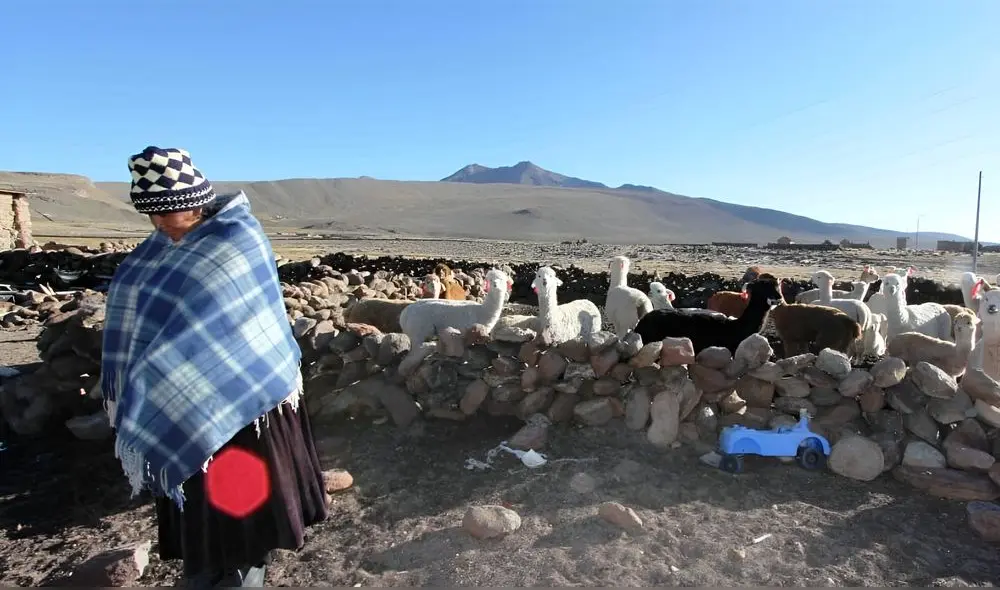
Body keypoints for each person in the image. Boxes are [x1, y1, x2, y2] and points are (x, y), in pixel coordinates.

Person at [100, 146, 328, 587]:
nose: (161, 225)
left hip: (247, 403)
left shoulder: (236, 239)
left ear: (195, 202)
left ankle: (245, 574)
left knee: (244, 507)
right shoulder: (159, 250)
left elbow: (245, 319)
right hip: (184, 402)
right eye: (153, 216)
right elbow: (140, 311)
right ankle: (205, 569)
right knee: (201, 504)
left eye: (169, 213)